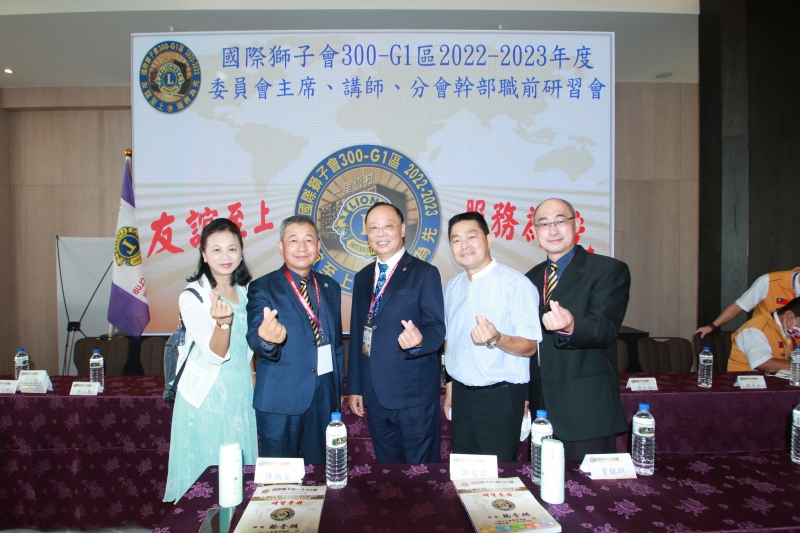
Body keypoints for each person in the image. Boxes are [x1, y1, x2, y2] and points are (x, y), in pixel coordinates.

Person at [526, 198, 631, 462]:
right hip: (542, 410)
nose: (552, 230)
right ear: (535, 231)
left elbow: (605, 328)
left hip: (586, 409)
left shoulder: (608, 269)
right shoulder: (531, 278)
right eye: (544, 224)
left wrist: (571, 325)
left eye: (560, 221)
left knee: (589, 487)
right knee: (544, 483)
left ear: (576, 224)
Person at [164, 218, 258, 503]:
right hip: (207, 395)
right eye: (216, 250)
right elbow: (215, 355)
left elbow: (247, 347)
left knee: (240, 470)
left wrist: (253, 378)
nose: (225, 256)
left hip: (241, 390)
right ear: (204, 254)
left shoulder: (247, 291)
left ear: (241, 252)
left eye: (232, 248)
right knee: (208, 470)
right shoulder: (193, 296)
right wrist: (224, 323)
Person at [347, 202, 446, 463]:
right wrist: (356, 386)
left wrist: (419, 341)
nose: (381, 233)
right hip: (375, 395)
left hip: (413, 395)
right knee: (387, 473)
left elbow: (437, 328)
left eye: (388, 226)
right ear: (367, 234)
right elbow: (358, 334)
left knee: (421, 474)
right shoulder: (362, 277)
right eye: (373, 228)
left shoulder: (424, 273)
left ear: (402, 229)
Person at [442, 212, 541, 461]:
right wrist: (450, 387)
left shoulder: (516, 284)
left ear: (489, 239)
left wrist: (496, 338)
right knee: (465, 469)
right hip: (461, 394)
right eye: (456, 240)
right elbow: (450, 343)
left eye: (471, 237)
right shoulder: (452, 288)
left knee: (498, 473)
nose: (464, 245)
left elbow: (530, 346)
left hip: (500, 397)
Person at [246, 216, 344, 464]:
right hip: (281, 397)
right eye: (293, 240)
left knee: (320, 472)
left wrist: (337, 390)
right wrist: (268, 341)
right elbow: (255, 336)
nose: (302, 247)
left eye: (309, 240)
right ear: (281, 247)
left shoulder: (330, 287)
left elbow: (336, 345)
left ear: (318, 246)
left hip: (324, 397)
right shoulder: (262, 287)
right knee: (280, 474)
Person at [697, 267, 800, 338]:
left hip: (792, 348)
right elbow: (739, 306)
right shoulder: (769, 282)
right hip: (763, 340)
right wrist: (712, 326)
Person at [728, 297, 800, 371]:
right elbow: (762, 363)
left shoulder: (787, 330)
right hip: (747, 377)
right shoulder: (755, 329)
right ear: (788, 315)